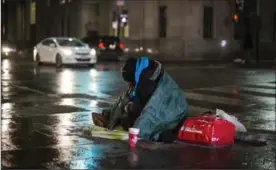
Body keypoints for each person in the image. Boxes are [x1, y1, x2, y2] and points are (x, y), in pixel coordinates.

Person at [92, 57, 188, 142]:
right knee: (128, 110)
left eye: (129, 82)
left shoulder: (147, 83)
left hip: (174, 113)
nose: (129, 85)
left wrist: (135, 133)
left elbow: (150, 113)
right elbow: (125, 99)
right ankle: (113, 118)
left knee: (131, 121)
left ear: (133, 78)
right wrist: (108, 114)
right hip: (168, 109)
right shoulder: (141, 73)